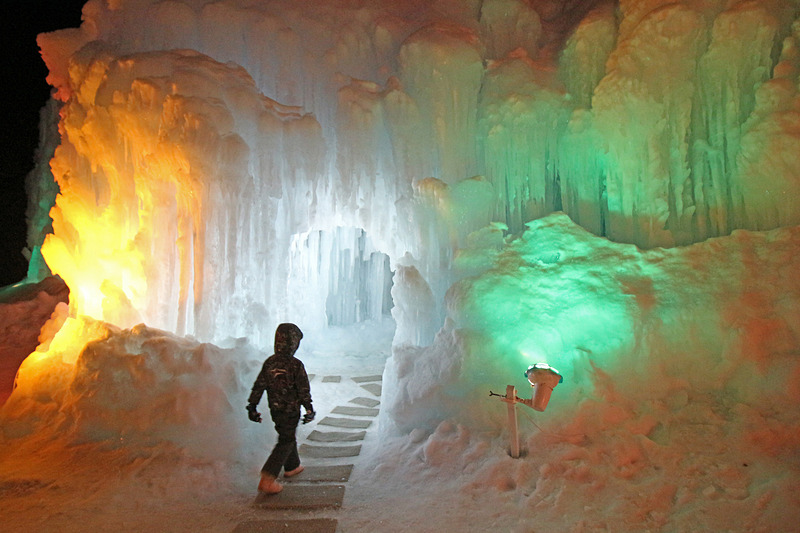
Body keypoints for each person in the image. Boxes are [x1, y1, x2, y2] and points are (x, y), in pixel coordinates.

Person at [246, 323, 315, 494]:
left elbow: (259, 386)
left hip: (275, 409)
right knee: (286, 440)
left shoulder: (270, 363)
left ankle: (292, 466)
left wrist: (252, 406)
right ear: (293, 343)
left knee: (287, 435)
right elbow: (303, 389)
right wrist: (308, 408)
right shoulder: (295, 365)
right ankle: (268, 478)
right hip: (291, 409)